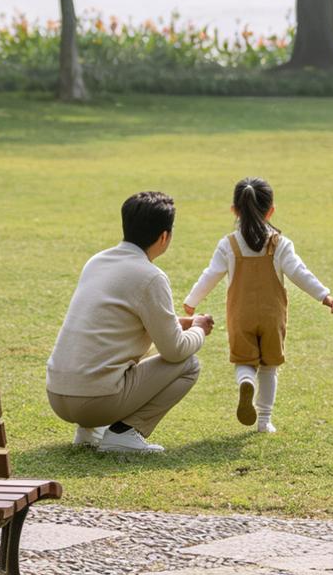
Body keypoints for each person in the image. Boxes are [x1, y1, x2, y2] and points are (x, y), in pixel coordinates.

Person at [45, 190, 213, 455]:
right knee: (188, 364)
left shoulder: (97, 261)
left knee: (132, 347)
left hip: (57, 394)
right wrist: (199, 329)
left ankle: (90, 431)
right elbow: (175, 351)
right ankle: (124, 433)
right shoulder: (150, 276)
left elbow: (118, 323)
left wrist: (178, 323)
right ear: (164, 237)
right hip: (95, 401)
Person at [183, 175, 333, 434]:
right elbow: (300, 272)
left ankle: (246, 381)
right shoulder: (279, 244)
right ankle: (264, 420)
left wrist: (192, 301)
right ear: (271, 210)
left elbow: (210, 274)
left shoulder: (229, 244)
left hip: (240, 314)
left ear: (234, 210)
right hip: (272, 315)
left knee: (244, 362)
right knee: (269, 367)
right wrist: (324, 295)